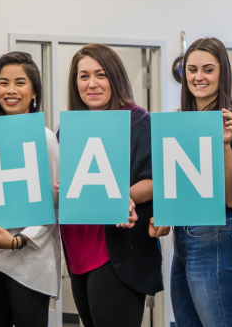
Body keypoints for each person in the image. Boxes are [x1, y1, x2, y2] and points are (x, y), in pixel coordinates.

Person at [148, 37, 232, 327]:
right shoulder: (183, 122)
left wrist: (226, 145)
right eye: (192, 69)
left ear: (222, 74)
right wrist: (166, 214)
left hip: (217, 237)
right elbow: (183, 185)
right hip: (184, 238)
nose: (198, 77)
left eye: (208, 69)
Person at [61, 43, 161, 327]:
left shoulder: (139, 121)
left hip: (116, 250)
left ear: (115, 78)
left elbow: (154, 180)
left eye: (100, 74)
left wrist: (114, 196)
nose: (91, 83)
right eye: (83, 76)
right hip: (78, 248)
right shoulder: (69, 128)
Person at [0, 51, 61, 327]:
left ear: (34, 91)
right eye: (3, 82)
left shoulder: (44, 138)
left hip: (32, 263)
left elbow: (56, 203)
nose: (11, 90)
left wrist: (19, 240)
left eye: (20, 82)